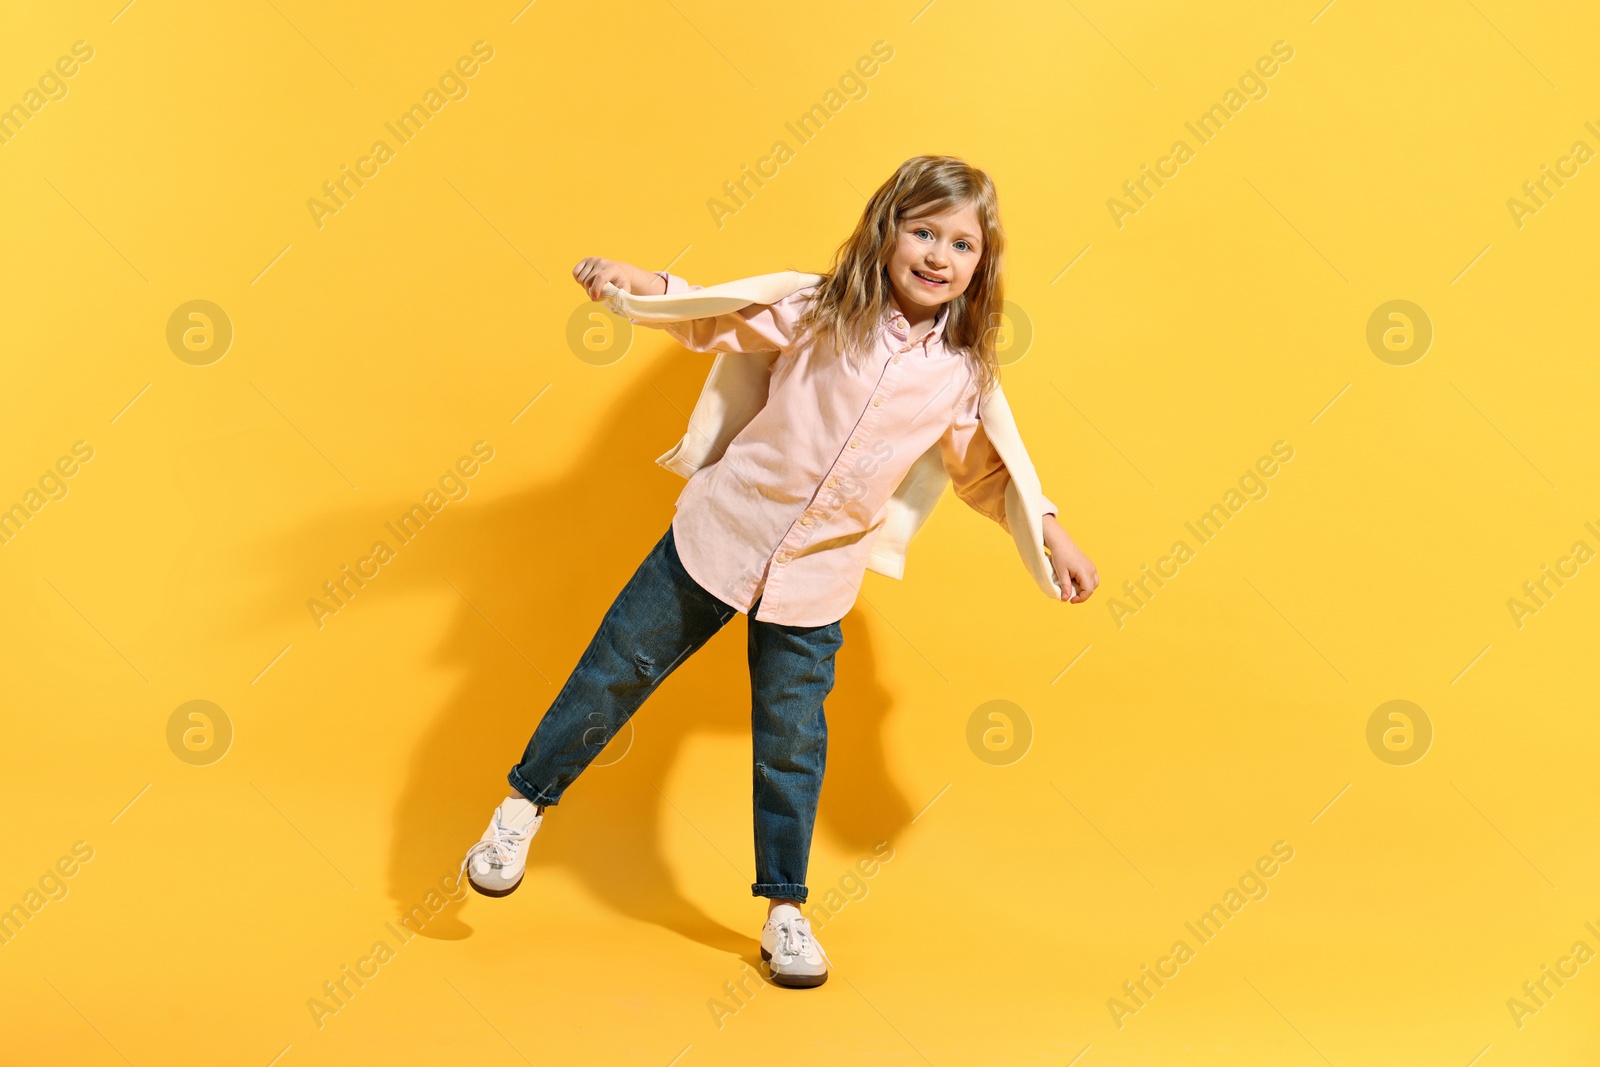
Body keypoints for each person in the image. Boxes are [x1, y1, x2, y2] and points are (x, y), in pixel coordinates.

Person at [462, 154, 1100, 988]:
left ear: (983, 263)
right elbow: (714, 316)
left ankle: (785, 911)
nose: (939, 256)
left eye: (962, 244)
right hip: (721, 535)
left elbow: (987, 470)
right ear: (886, 231)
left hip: (817, 581)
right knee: (614, 672)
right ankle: (519, 809)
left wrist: (1047, 528)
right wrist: (639, 285)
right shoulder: (819, 308)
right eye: (923, 232)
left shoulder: (960, 375)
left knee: (793, 741)